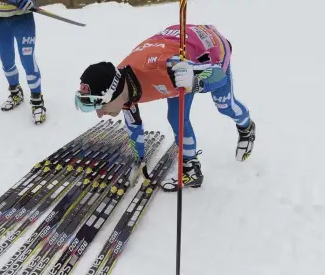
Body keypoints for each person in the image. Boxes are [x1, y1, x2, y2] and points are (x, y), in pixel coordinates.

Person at [74, 23, 256, 191]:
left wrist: (195, 81)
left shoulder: (165, 68)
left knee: (224, 105)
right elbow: (133, 125)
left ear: (113, 92)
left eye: (99, 104)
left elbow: (219, 77)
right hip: (176, 46)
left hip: (210, 48)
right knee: (176, 117)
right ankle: (191, 169)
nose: (99, 114)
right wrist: (139, 160)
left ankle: (247, 127)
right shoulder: (123, 86)